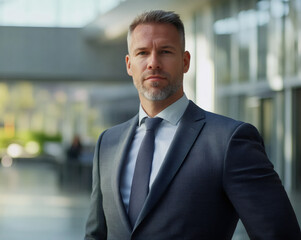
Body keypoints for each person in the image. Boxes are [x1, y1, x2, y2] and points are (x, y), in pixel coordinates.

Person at [84, 10, 301, 240]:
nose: (153, 63)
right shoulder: (108, 142)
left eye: (165, 51)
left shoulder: (229, 141)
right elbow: (95, 234)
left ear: (185, 61)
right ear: (129, 64)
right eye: (142, 53)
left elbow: (280, 234)